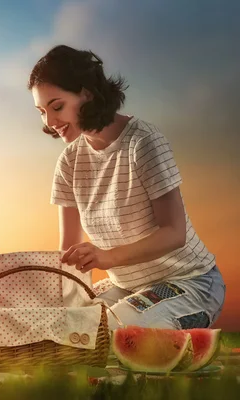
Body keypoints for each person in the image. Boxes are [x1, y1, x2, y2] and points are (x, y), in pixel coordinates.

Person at [27, 44, 226, 330]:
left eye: (57, 106)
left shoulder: (143, 142)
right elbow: (68, 248)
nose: (49, 122)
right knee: (65, 325)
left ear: (87, 93)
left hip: (189, 282)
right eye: (42, 111)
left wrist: (105, 257)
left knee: (107, 330)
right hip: (128, 289)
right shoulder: (69, 162)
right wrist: (59, 304)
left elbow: (174, 233)